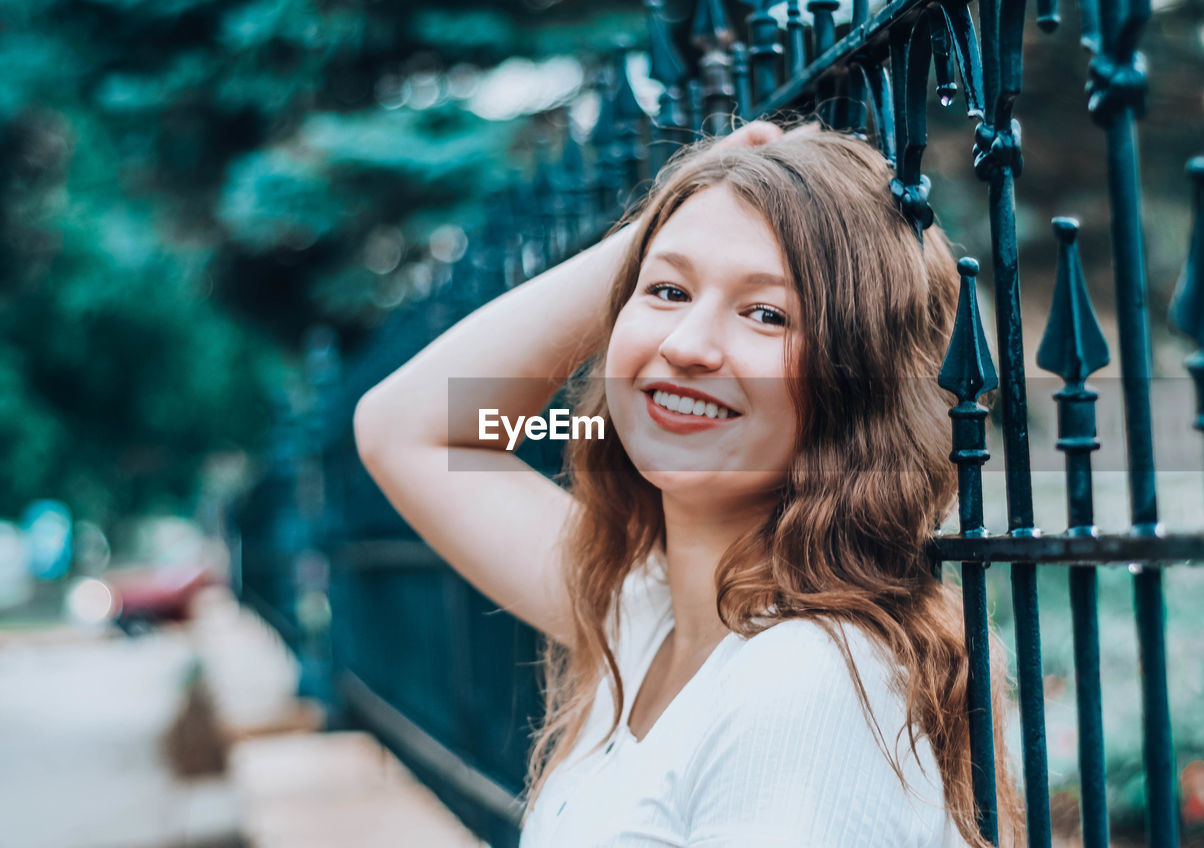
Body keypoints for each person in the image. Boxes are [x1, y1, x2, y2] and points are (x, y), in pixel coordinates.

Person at [353, 119, 1026, 847]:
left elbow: (412, 433)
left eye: (766, 314)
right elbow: (407, 429)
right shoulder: (647, 613)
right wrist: (661, 225)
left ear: (860, 384)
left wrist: (673, 247)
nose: (686, 346)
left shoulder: (806, 684)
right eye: (668, 293)